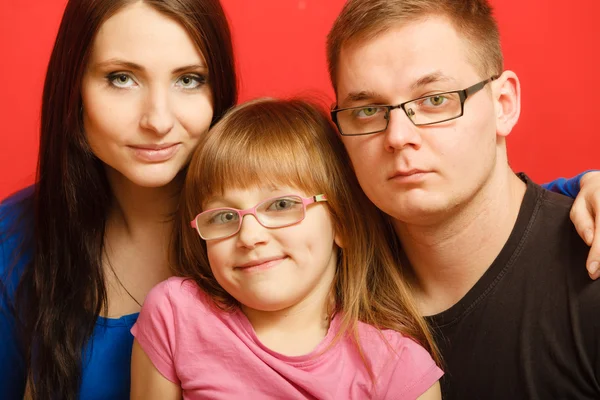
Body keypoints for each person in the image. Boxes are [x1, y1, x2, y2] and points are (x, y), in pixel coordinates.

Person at [326, 0, 600, 398]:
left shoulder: (590, 273)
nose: (398, 135)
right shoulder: (322, 293)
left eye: (435, 100)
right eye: (368, 110)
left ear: (503, 104)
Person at [130, 98, 443, 399]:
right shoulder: (175, 315)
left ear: (342, 222)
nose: (250, 237)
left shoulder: (396, 369)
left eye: (281, 205)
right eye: (225, 216)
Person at [0, 0, 236, 398]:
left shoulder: (275, 230)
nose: (158, 121)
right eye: (122, 78)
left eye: (189, 79)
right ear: (74, 87)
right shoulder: (12, 241)